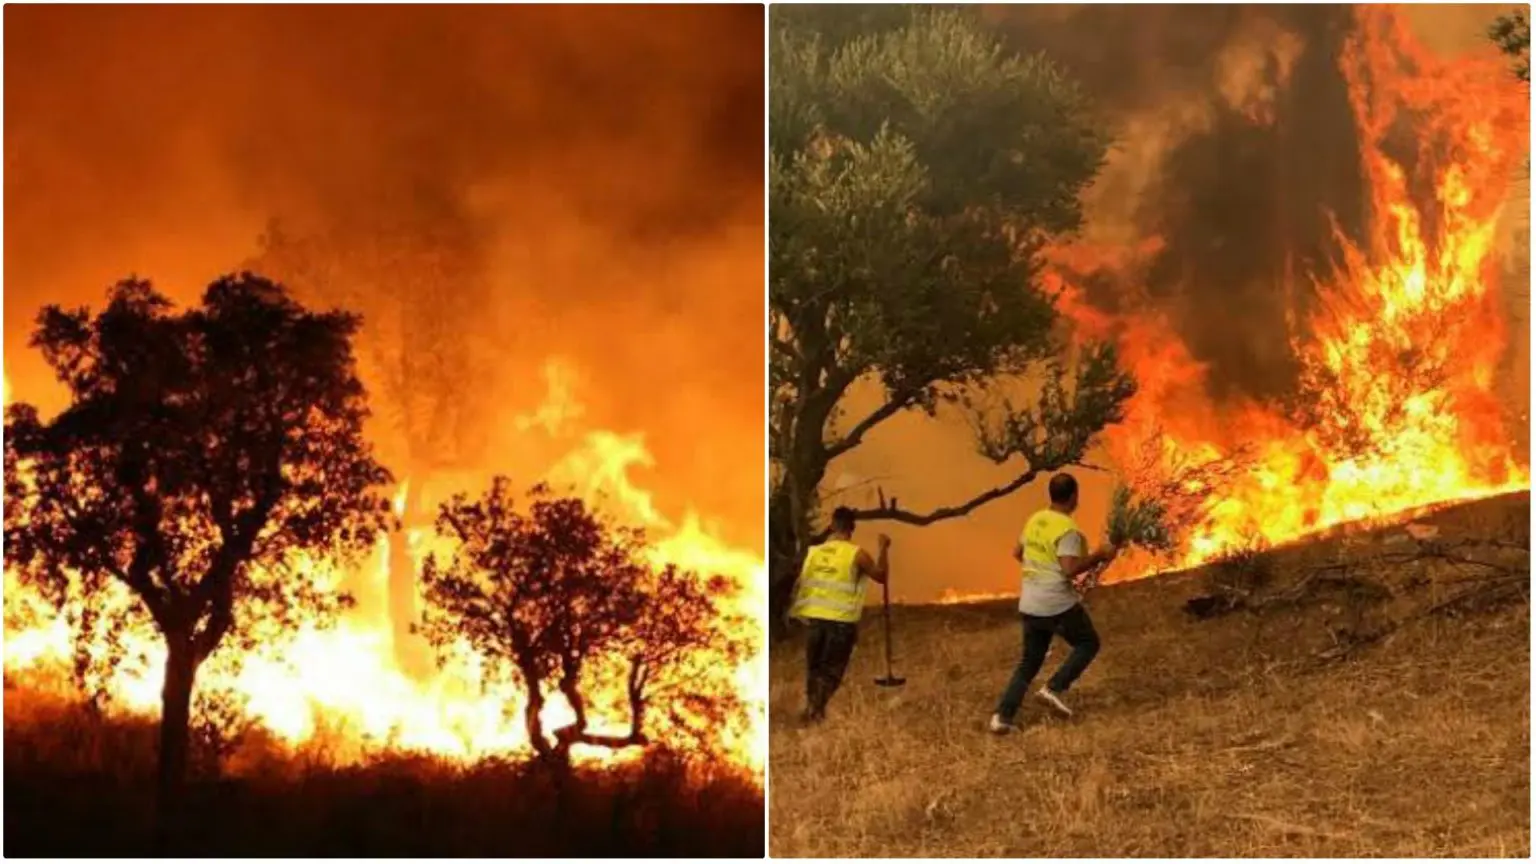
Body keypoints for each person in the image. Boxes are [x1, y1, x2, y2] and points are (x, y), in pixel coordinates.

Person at [989, 472, 1118, 734]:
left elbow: (1018, 553)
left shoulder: (1036, 519)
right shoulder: (1067, 530)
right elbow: (1070, 569)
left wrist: (1040, 571)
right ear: (1073, 497)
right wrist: (1100, 555)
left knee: (1029, 662)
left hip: (1030, 601)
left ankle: (1002, 717)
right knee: (1088, 643)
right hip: (1055, 603)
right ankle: (1054, 688)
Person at [789, 506, 890, 723]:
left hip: (815, 621)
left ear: (832, 526)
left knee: (814, 669)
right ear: (852, 528)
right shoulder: (856, 554)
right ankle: (814, 712)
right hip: (841, 623)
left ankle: (812, 710)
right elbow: (880, 576)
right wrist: (883, 548)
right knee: (831, 671)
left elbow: (800, 582)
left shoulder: (813, 553)